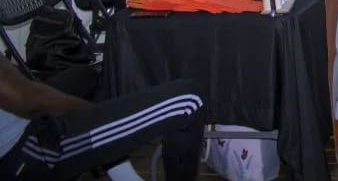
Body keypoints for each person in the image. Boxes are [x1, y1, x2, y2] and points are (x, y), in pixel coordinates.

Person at [0, 55, 205, 180]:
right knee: (188, 100)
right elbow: (29, 100)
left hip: (23, 122)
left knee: (86, 75)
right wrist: (96, 113)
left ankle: (123, 175)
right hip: (26, 152)